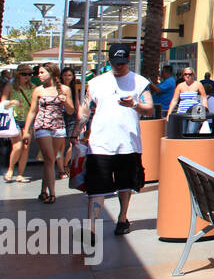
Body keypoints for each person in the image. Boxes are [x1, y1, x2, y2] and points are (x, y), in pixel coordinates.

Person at [78, 44, 152, 237]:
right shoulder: (95, 83)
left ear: (128, 60)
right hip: (100, 142)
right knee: (96, 186)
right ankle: (91, 227)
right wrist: (76, 131)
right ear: (109, 60)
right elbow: (85, 109)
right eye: (116, 63)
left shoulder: (139, 81)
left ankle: (122, 218)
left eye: (123, 63)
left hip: (128, 143)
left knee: (125, 184)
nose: (120, 66)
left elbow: (149, 108)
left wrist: (134, 104)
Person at [22, 63, 74, 204]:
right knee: (50, 159)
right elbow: (32, 111)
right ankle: (52, 193)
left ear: (51, 73)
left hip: (58, 126)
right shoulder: (38, 90)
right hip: (42, 125)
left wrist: (65, 102)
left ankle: (43, 190)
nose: (38, 75)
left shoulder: (64, 89)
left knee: (48, 161)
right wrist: (27, 130)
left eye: (41, 72)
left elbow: (70, 111)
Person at [3, 65, 36, 182]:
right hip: (14, 119)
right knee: (18, 146)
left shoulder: (33, 88)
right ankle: (10, 170)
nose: (27, 77)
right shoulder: (10, 86)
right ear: (18, 74)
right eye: (24, 74)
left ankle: (20, 174)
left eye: (30, 74)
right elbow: (3, 103)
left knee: (26, 147)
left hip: (28, 120)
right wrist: (12, 102)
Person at [166, 67, 205, 134]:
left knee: (191, 132)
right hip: (182, 112)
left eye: (190, 74)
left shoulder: (198, 84)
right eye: (185, 74)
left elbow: (203, 98)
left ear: (193, 75)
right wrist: (169, 114)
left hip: (196, 112)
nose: (188, 76)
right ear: (183, 75)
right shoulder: (180, 86)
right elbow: (174, 100)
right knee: (182, 133)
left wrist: (205, 109)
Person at [59, 66, 80, 177]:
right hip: (60, 115)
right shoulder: (58, 87)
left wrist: (78, 115)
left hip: (71, 115)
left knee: (73, 142)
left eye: (70, 75)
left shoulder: (73, 87)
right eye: (65, 75)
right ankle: (62, 169)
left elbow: (76, 101)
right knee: (61, 144)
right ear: (61, 76)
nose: (67, 77)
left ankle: (65, 165)